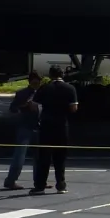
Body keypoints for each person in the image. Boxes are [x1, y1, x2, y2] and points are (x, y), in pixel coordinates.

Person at [30, 66, 78, 195]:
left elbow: (34, 106)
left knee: (44, 157)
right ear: (62, 74)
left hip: (46, 124)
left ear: (50, 75)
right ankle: (61, 185)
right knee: (60, 157)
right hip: (61, 125)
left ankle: (40, 186)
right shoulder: (70, 88)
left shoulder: (44, 88)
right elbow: (73, 108)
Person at [3, 71, 42, 190]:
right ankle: (11, 180)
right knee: (19, 155)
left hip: (39, 126)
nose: (36, 84)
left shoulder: (42, 93)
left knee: (40, 157)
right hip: (25, 126)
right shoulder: (22, 93)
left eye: (38, 82)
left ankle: (40, 181)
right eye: (34, 82)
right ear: (29, 82)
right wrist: (24, 107)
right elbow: (13, 109)